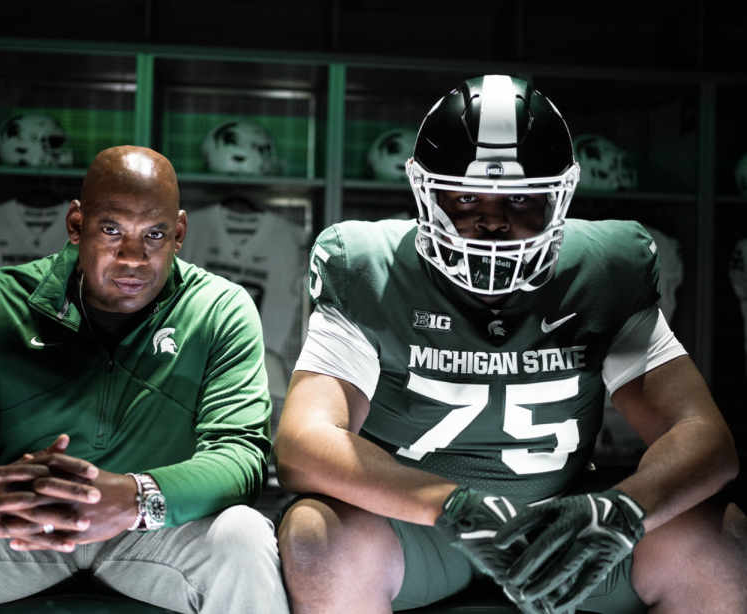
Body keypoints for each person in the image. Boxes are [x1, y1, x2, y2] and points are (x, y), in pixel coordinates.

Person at [274, 75, 747, 614]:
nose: (492, 221)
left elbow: (704, 436)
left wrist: (619, 512)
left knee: (722, 539)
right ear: (424, 189)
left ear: (561, 194)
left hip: (567, 524)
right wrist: (452, 507)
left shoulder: (604, 269)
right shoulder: (370, 267)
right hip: (417, 528)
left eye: (521, 197)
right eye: (466, 194)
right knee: (316, 537)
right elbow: (304, 441)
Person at [0, 146, 288, 614]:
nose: (133, 257)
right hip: (23, 524)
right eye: (111, 230)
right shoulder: (0, 302)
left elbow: (241, 458)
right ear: (76, 224)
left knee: (244, 537)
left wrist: (136, 497)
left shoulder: (220, 309)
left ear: (178, 233)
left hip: (157, 530)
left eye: (154, 234)